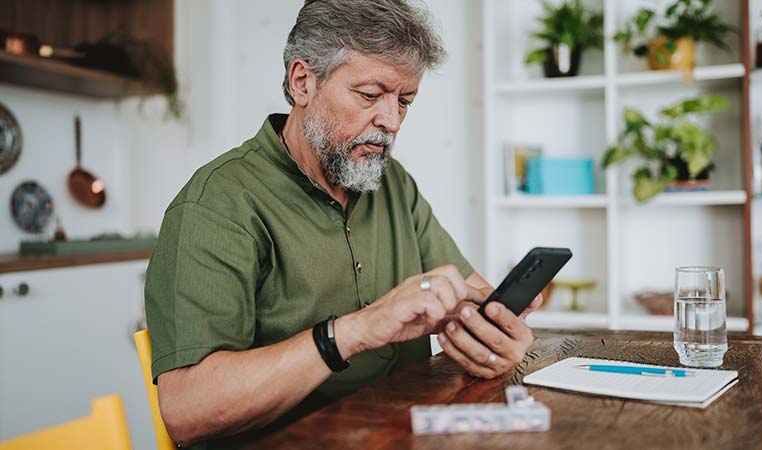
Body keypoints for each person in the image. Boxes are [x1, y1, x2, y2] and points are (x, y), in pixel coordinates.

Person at [144, 1, 542, 448]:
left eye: (404, 101)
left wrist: (494, 334)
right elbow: (188, 411)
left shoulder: (392, 182)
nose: (391, 121)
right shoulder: (217, 204)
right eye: (370, 95)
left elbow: (473, 293)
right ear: (303, 82)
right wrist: (355, 330)